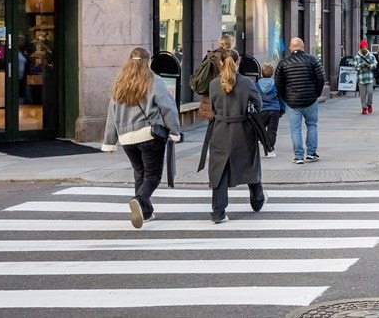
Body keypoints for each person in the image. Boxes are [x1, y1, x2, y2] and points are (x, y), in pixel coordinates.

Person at [101, 47, 182, 229]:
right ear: (148, 61)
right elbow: (168, 108)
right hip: (149, 135)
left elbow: (112, 114)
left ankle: (145, 212)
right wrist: (174, 131)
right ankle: (139, 200)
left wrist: (109, 141)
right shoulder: (154, 81)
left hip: (126, 138)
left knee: (140, 173)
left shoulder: (120, 82)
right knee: (153, 175)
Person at [202, 51, 264, 223]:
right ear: (238, 61)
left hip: (220, 129)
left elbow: (213, 108)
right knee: (250, 164)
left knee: (219, 170)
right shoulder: (246, 82)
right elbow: (259, 104)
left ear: (221, 63)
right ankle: (257, 200)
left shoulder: (213, 84)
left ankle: (218, 212)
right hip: (242, 129)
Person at [274, 37, 326, 163]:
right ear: (303, 47)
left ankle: (298, 156)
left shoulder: (283, 63)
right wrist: (317, 93)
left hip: (293, 101)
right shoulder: (312, 60)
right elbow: (321, 78)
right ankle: (311, 153)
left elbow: (278, 83)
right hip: (310, 99)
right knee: (312, 125)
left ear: (290, 48)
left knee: (295, 129)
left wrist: (285, 97)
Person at [190, 35, 239, 121]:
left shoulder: (211, 55)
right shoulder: (231, 57)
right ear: (232, 43)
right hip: (225, 97)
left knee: (212, 125)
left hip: (209, 98)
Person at [254, 63, 283, 157]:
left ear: (261, 73)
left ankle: (261, 140)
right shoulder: (276, 84)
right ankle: (270, 149)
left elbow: (254, 98)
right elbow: (281, 98)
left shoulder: (256, 85)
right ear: (272, 73)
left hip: (261, 110)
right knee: (272, 131)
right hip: (274, 110)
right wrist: (282, 110)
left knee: (260, 129)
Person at [355, 40, 378, 114]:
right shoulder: (357, 57)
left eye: (365, 47)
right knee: (362, 94)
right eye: (363, 48)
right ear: (360, 48)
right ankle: (364, 108)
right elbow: (355, 66)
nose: (364, 49)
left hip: (369, 78)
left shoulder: (371, 56)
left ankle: (369, 104)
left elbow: (375, 64)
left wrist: (369, 66)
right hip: (361, 78)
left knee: (370, 92)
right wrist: (361, 65)